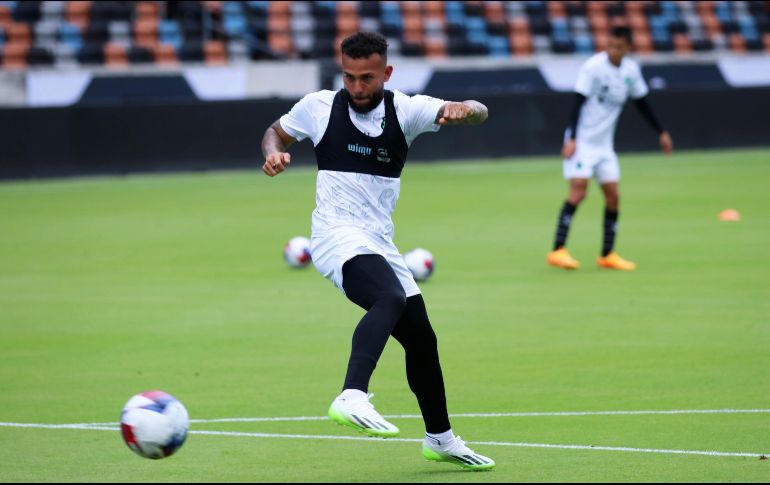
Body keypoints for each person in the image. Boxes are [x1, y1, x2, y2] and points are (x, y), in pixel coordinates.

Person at [260, 32, 494, 471]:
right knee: (389, 298)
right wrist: (274, 154)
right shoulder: (319, 107)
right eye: (349, 77)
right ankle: (352, 395)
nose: (356, 87)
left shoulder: (405, 110)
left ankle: (440, 440)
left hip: (379, 241)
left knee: (422, 341)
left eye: (366, 78)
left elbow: (479, 112)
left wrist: (466, 110)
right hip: (335, 235)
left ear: (386, 73)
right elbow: (275, 132)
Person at [547, 26, 674, 271]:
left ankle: (607, 254)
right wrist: (572, 138)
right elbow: (577, 101)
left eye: (618, 46)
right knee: (578, 192)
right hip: (582, 141)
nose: (612, 50)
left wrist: (661, 132)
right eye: (610, 45)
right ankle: (557, 250)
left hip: (604, 145)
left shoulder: (631, 71)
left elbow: (642, 103)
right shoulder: (593, 67)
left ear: (628, 47)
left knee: (613, 195)